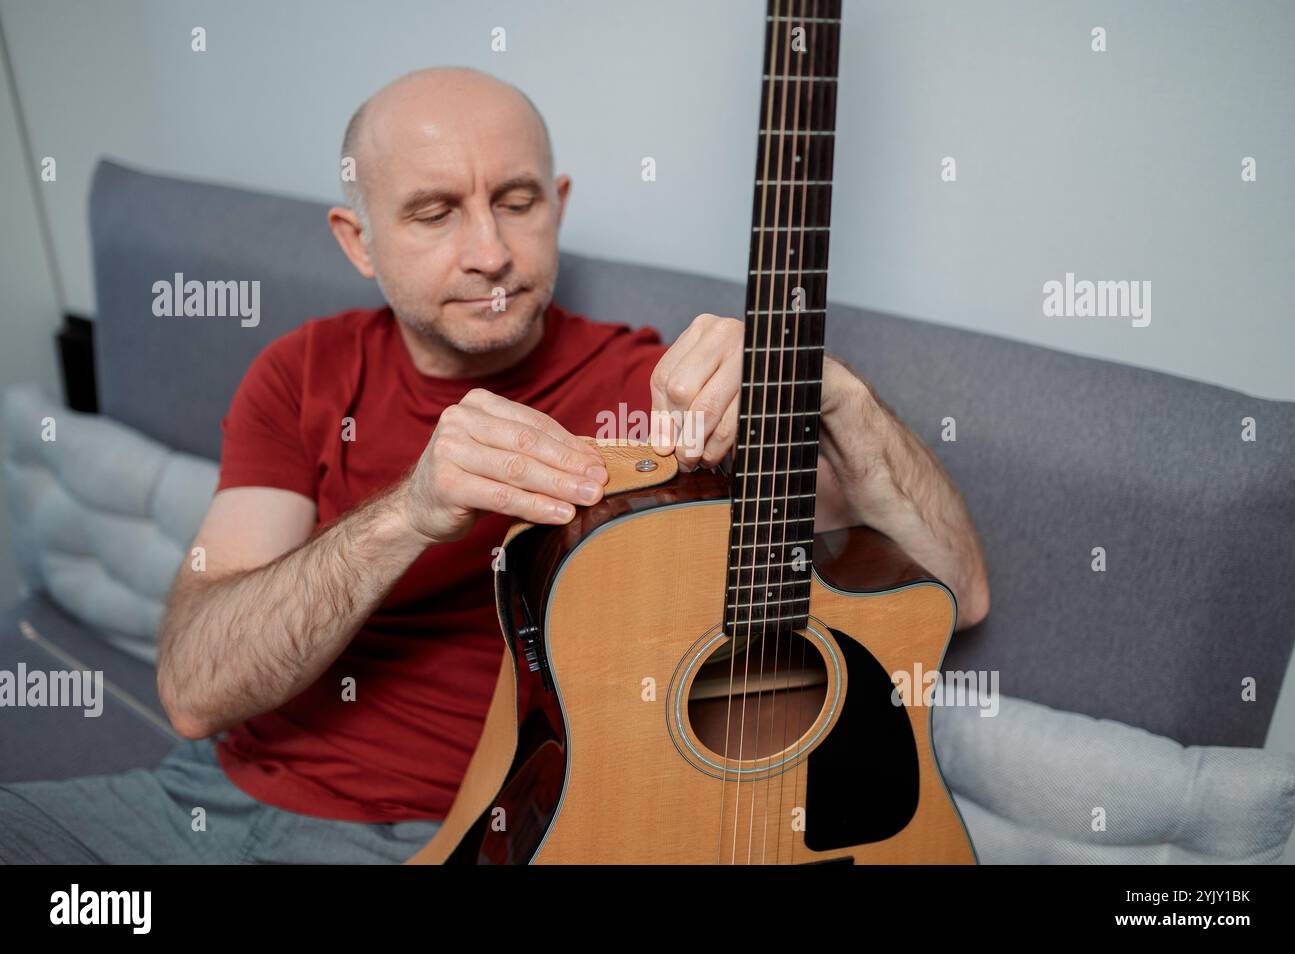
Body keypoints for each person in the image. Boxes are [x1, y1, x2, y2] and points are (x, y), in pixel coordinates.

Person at [0, 66, 989, 864]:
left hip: (466, 835)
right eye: (433, 213)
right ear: (358, 240)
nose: (490, 251)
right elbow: (191, 688)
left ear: (556, 205)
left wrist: (841, 396)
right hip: (201, 802)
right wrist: (410, 512)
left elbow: (954, 589)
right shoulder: (299, 374)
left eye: (516, 202)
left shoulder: (657, 394)